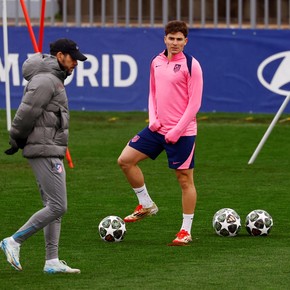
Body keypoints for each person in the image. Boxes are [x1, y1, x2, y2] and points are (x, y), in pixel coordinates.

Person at [0, 38, 87, 273]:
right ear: (60, 56)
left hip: (49, 147)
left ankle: (51, 261)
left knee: (52, 205)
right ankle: (14, 240)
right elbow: (26, 113)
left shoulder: (52, 79)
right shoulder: (47, 81)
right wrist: (16, 138)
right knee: (58, 206)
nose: (76, 64)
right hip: (44, 149)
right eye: (73, 59)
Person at [117, 20, 203, 245]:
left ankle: (185, 231)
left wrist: (177, 130)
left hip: (182, 132)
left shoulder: (192, 65)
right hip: (156, 129)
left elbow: (194, 104)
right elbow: (152, 92)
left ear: (186, 41)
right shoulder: (156, 61)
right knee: (125, 161)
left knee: (184, 180)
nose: (175, 43)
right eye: (171, 38)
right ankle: (146, 204)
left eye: (179, 39)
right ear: (165, 38)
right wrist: (153, 118)